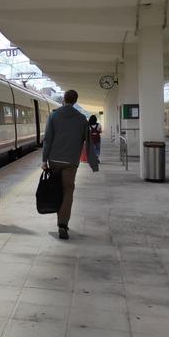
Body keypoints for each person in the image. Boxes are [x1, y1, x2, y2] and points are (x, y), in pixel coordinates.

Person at [41, 90, 98, 239]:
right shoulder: (81, 119)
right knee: (68, 192)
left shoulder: (53, 115)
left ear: (64, 99)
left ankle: (58, 217)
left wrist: (44, 160)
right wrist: (93, 163)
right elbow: (88, 142)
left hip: (54, 160)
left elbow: (47, 139)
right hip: (71, 162)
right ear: (75, 101)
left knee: (56, 189)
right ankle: (63, 224)